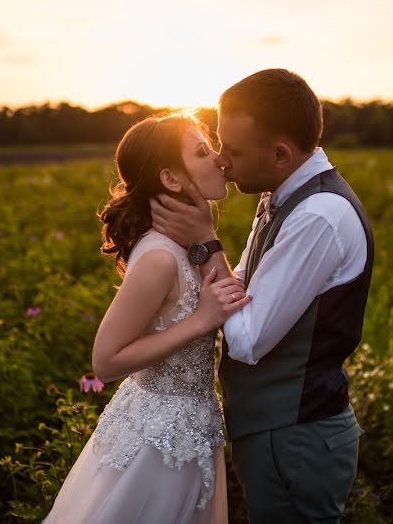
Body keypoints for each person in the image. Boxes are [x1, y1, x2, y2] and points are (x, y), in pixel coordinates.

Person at [151, 69, 374, 523]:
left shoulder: (318, 215)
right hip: (278, 432)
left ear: (280, 153)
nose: (220, 161)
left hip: (295, 436)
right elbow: (245, 286)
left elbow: (248, 339)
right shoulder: (282, 194)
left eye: (232, 150)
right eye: (217, 143)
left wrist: (206, 245)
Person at [43, 114, 250, 524]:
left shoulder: (185, 244)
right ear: (171, 180)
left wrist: (206, 239)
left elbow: (232, 296)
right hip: (157, 443)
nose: (219, 159)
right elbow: (105, 360)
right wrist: (201, 319)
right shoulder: (158, 257)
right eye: (201, 151)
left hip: (191, 429)